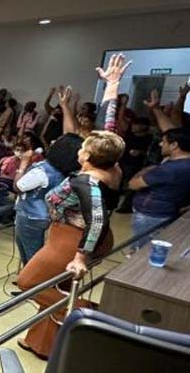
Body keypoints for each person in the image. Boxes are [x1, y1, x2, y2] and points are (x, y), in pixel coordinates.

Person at [16, 130, 125, 359]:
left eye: (83, 147)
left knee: (29, 283)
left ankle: (90, 313)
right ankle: (42, 343)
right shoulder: (112, 169)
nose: (79, 150)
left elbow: (97, 220)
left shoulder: (87, 183)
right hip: (71, 234)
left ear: (88, 155)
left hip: (73, 238)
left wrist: (80, 257)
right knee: (58, 288)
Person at [13, 133, 83, 264]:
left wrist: (22, 166)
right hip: (45, 214)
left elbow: (17, 187)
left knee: (31, 255)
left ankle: (32, 281)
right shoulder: (65, 173)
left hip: (29, 216)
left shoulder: (41, 172)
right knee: (35, 251)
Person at [127, 127, 190, 247]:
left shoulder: (169, 169)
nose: (161, 144)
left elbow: (133, 184)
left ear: (174, 145)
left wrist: (151, 168)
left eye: (164, 141)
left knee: (141, 249)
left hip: (150, 215)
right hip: (168, 211)